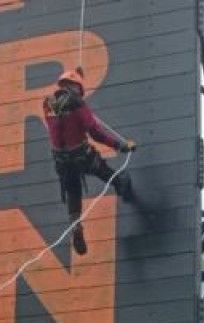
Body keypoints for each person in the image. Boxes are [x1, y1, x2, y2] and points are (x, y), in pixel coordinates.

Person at [41, 67, 136, 256]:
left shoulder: (48, 104)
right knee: (101, 168)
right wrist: (120, 145)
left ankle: (75, 225)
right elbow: (95, 132)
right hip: (80, 154)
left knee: (72, 191)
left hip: (61, 160)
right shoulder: (78, 105)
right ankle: (120, 184)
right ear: (75, 87)